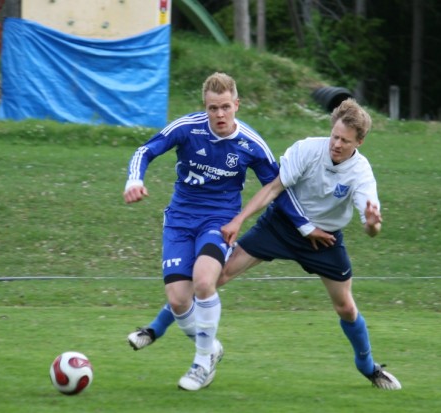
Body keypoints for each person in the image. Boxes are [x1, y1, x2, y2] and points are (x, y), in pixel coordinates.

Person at [123, 72, 324, 391]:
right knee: (178, 301)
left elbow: (277, 187)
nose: (219, 114)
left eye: (225, 107)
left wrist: (304, 224)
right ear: (205, 107)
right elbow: (144, 151)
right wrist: (135, 181)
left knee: (204, 281)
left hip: (219, 221)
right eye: (213, 108)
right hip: (179, 219)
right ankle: (211, 348)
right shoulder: (187, 129)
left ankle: (202, 363)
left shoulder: (251, 143)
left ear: (237, 105)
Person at [218, 98, 402, 390]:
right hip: (281, 226)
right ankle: (159, 327)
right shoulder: (307, 149)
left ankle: (368, 367)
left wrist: (372, 223)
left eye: (345, 141)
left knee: (346, 308)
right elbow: (273, 189)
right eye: (335, 136)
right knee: (219, 275)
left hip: (325, 241)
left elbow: (372, 229)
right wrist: (240, 220)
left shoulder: (362, 173)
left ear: (360, 142)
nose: (337, 144)